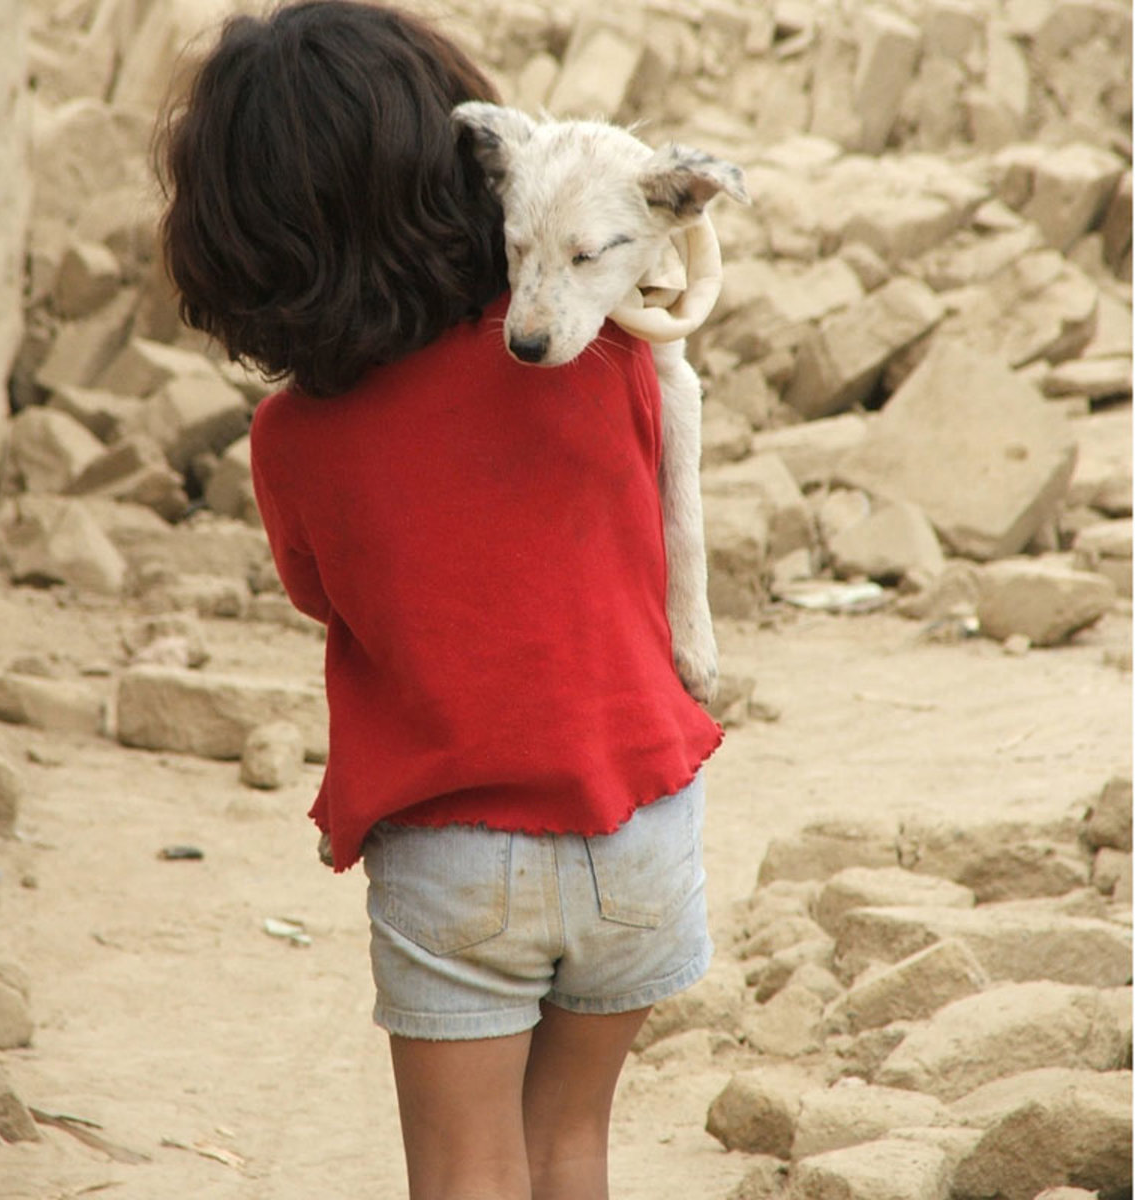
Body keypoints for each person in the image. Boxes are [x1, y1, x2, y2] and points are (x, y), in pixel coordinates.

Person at [155, 3, 722, 1196]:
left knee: (470, 1170)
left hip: (455, 851)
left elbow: (326, 599)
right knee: (572, 1146)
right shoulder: (608, 361)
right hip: (640, 824)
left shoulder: (293, 438)